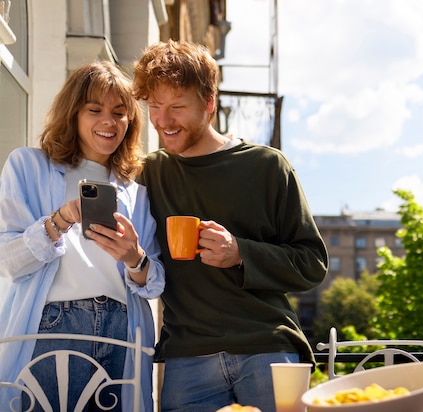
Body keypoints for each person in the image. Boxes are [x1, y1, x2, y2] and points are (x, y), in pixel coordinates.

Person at [132, 39, 328, 412]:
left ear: (209, 104)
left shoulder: (268, 166)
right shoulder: (150, 172)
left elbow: (312, 264)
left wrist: (241, 253)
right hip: (187, 357)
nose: (162, 120)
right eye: (154, 107)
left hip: (267, 347)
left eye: (176, 107)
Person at [0, 61, 165, 411]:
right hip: (54, 324)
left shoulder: (137, 194)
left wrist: (134, 258)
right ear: (73, 113)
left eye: (120, 113)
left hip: (122, 328)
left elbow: (154, 282)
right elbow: (9, 262)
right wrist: (59, 220)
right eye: (95, 110)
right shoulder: (27, 166)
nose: (109, 122)